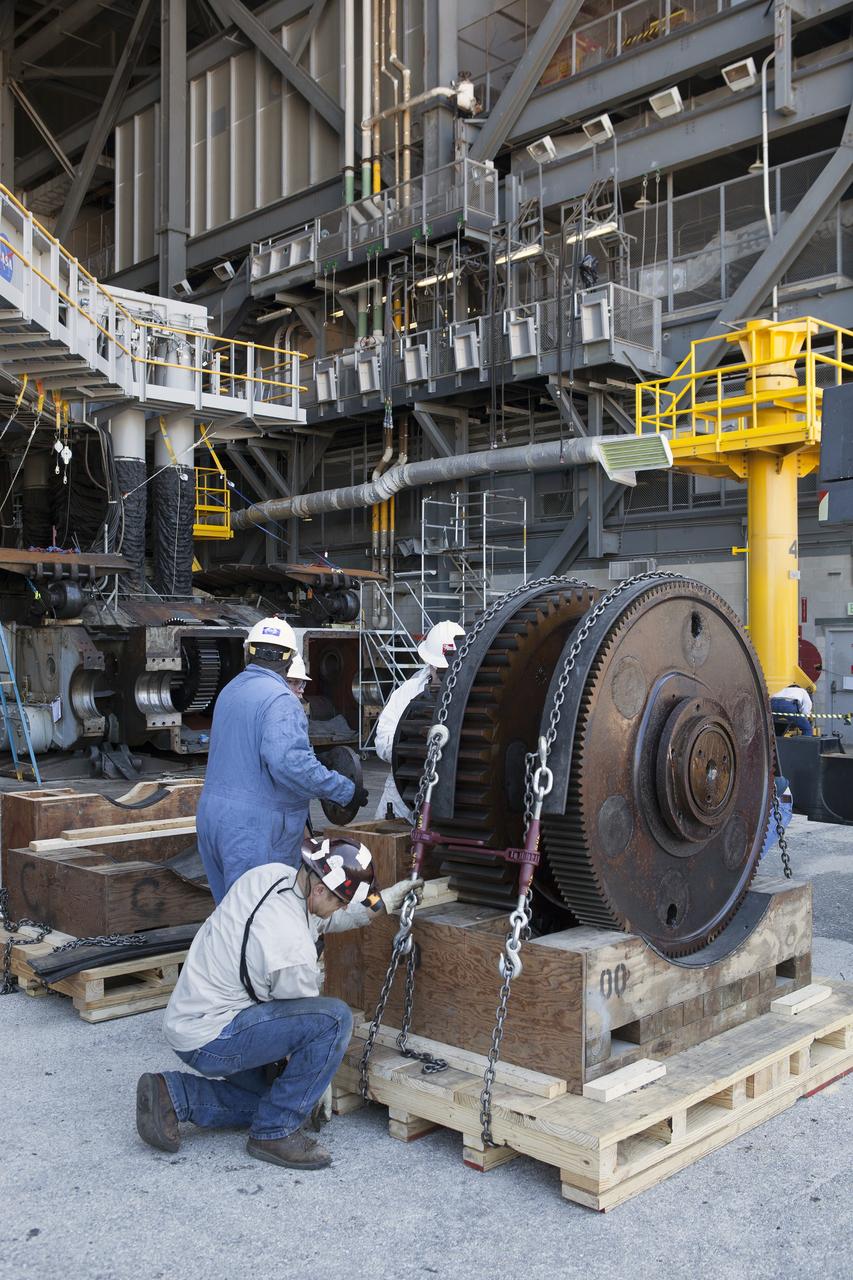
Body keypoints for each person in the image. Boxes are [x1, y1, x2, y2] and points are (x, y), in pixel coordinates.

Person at [136, 837, 421, 1171]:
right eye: (342, 901)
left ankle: (173, 1094)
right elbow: (309, 1028)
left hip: (190, 1016)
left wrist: (381, 900)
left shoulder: (273, 876)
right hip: (214, 1038)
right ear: (319, 891)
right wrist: (316, 1082)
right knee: (334, 1020)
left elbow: (326, 918)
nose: (344, 909)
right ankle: (275, 1131)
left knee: (273, 1096)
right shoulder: (292, 951)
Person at [197, 618, 368, 903]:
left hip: (213, 819)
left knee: (229, 917)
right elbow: (290, 766)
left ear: (249, 651)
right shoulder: (281, 699)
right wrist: (344, 791)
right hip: (253, 828)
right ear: (290, 659)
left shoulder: (230, 691)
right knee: (261, 917)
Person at [373, 620, 465, 821]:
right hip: (401, 794)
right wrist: (411, 752)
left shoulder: (469, 696)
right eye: (439, 668)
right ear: (429, 662)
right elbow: (383, 740)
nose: (442, 673)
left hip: (451, 798)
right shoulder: (408, 692)